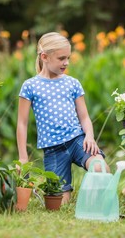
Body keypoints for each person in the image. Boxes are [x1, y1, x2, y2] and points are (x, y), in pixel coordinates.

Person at [17, 32, 109, 204]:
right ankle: (68, 195)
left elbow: (84, 117)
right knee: (58, 202)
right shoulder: (30, 86)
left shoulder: (72, 83)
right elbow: (21, 123)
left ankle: (95, 205)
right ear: (44, 57)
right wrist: (23, 157)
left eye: (68, 57)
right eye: (61, 58)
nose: (66, 63)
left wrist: (89, 136)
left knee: (100, 168)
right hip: (53, 149)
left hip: (78, 141)